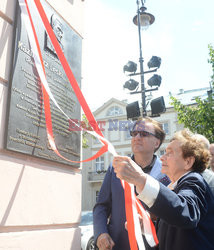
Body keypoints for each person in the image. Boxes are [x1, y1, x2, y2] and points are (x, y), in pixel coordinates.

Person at [113, 129, 214, 250]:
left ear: (188, 161)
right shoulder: (176, 186)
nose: (162, 158)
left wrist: (141, 179)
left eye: (169, 153)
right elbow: (174, 230)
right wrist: (145, 226)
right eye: (164, 152)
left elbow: (184, 212)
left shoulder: (195, 180)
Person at [93, 117, 170, 250]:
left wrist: (149, 219)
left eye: (144, 134)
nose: (137, 137)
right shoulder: (116, 168)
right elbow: (101, 206)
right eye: (134, 133)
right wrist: (101, 233)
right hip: (117, 244)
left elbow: (171, 214)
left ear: (156, 143)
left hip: (153, 245)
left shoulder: (167, 173)